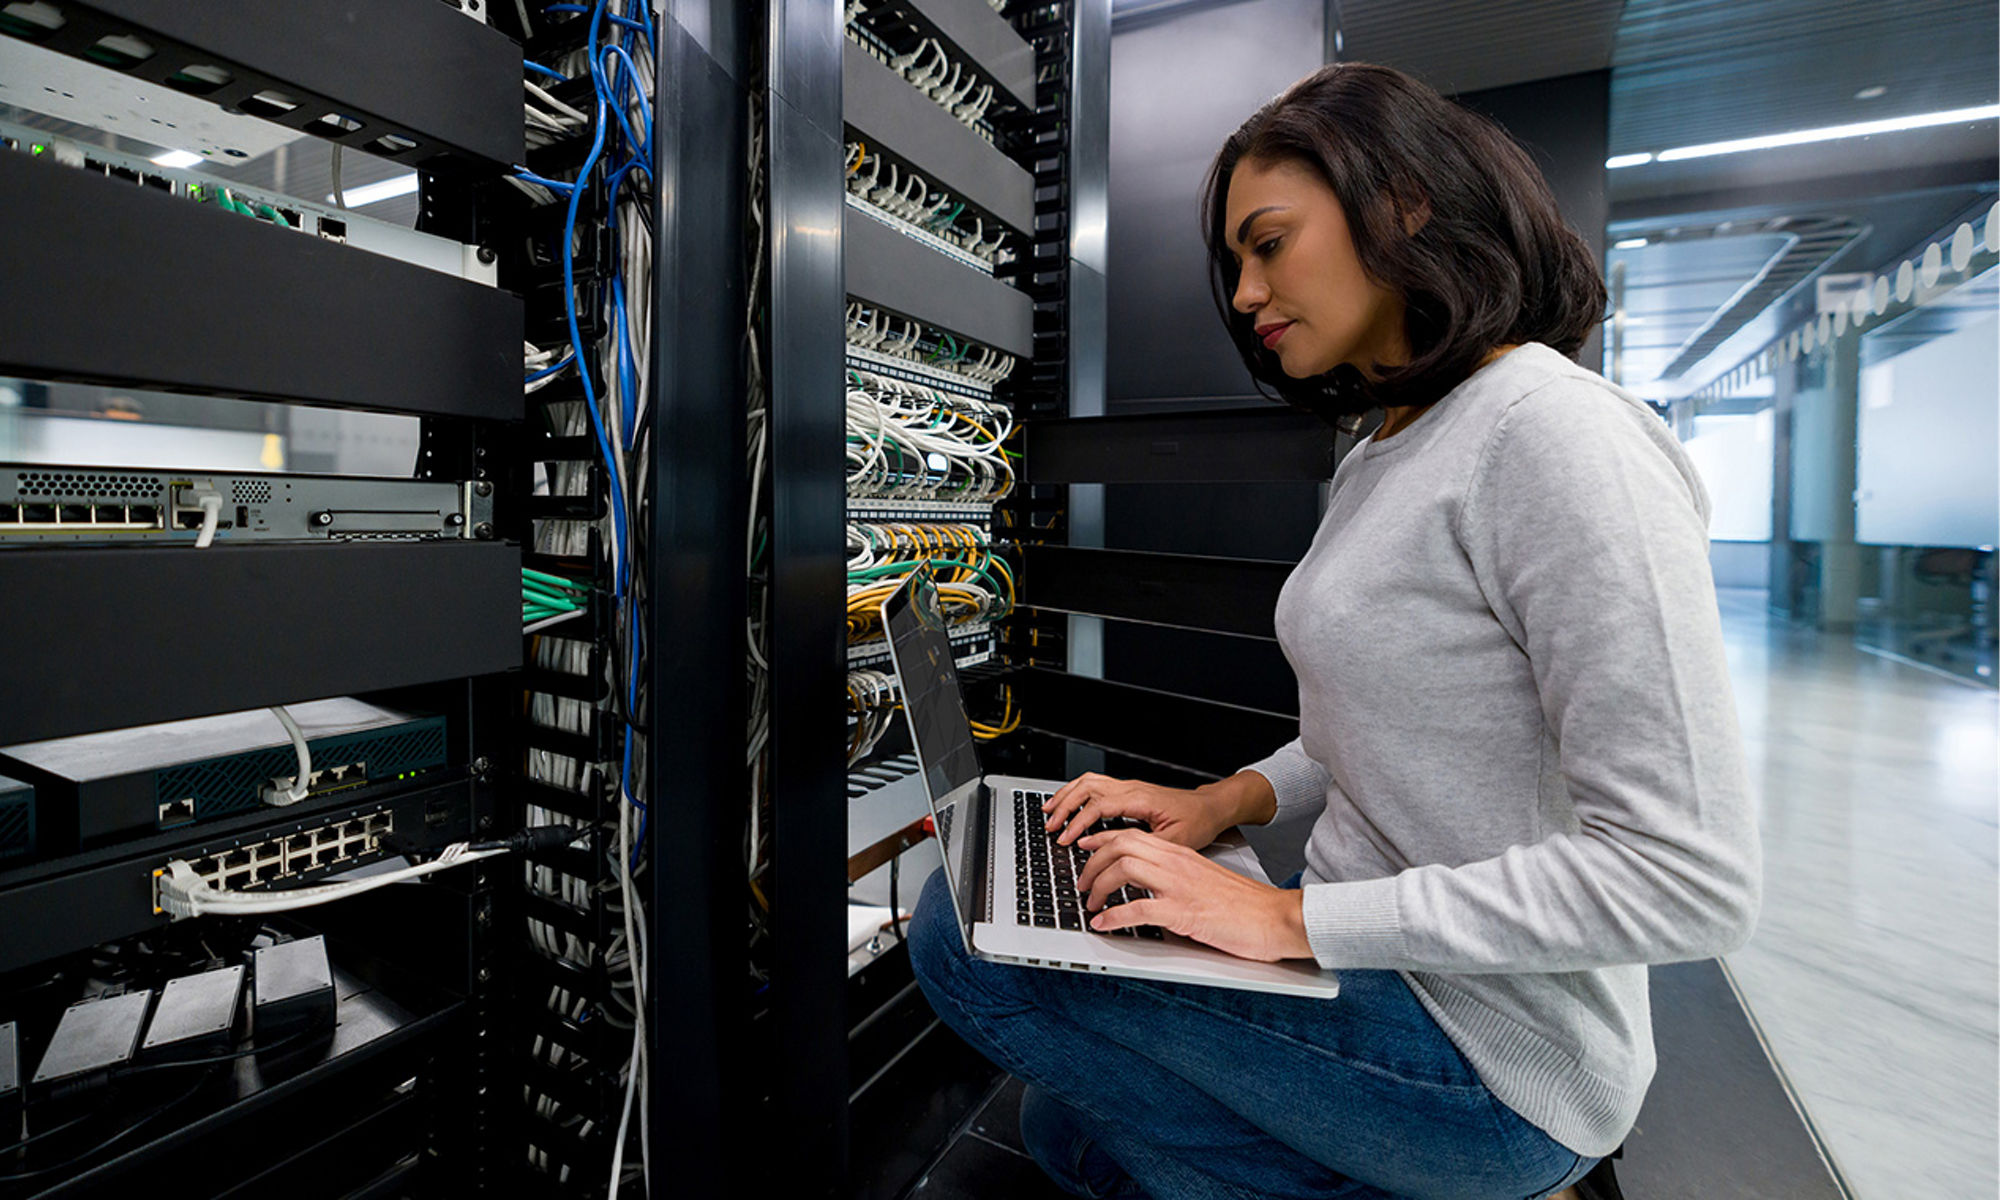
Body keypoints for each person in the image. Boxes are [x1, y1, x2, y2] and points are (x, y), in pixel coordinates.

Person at [907, 61, 1761, 1200]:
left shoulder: (1557, 438)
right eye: (1234, 262)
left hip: (1487, 1055)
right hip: (1378, 971)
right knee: (1068, 1135)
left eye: (1267, 242)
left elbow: (1683, 878)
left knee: (961, 938)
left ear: (1401, 201)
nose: (1245, 293)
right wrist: (1224, 804)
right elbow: (1392, 716)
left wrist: (1288, 918)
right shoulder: (1385, 449)